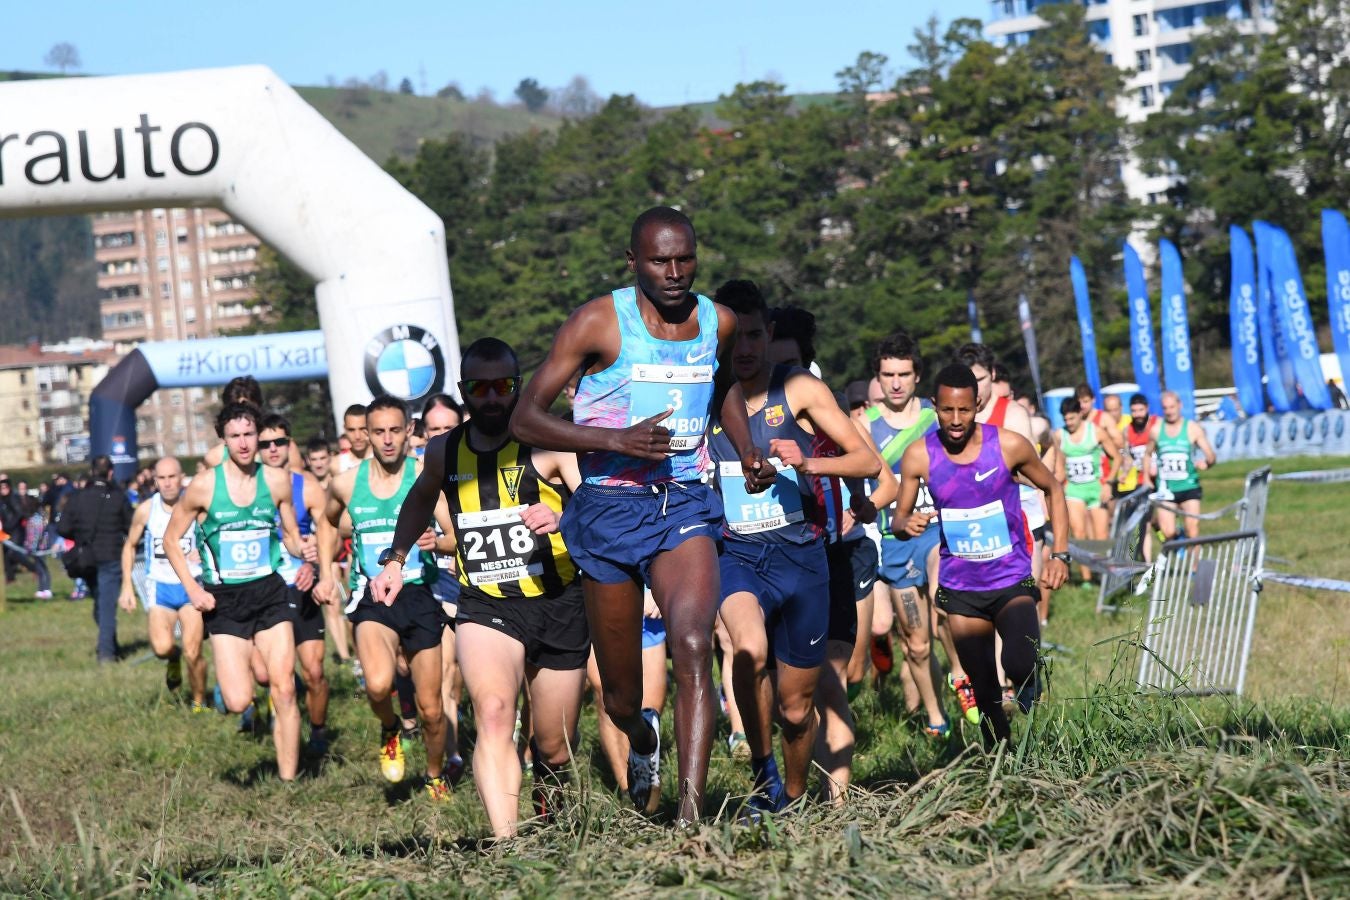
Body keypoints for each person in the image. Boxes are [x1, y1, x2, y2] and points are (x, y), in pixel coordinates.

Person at [509, 206, 774, 824]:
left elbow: (724, 386)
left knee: (690, 642)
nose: (675, 271)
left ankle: (689, 816)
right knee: (623, 693)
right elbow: (526, 416)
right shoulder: (600, 322)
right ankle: (644, 737)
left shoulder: (719, 320)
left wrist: (749, 448)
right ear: (634, 263)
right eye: (660, 260)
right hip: (610, 508)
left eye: (686, 258)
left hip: (684, 498)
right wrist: (618, 440)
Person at [370, 339, 587, 836]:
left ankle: (549, 818)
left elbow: (594, 501)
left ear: (519, 386)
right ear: (465, 391)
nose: (491, 398)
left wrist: (561, 516)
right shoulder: (446, 449)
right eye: (479, 388)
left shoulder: (549, 442)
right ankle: (508, 847)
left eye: (503, 387)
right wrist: (396, 560)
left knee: (553, 745)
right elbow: (420, 498)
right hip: (486, 603)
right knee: (492, 713)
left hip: (557, 603)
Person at [711, 283, 878, 813]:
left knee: (796, 707)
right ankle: (764, 774)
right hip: (736, 554)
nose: (745, 348)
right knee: (749, 649)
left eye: (756, 335)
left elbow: (866, 463)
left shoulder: (799, 389)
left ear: (770, 334)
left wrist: (807, 463)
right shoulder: (705, 393)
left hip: (802, 559)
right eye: (735, 337)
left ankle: (795, 794)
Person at [897, 364, 1070, 746]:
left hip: (1010, 578)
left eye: (964, 410)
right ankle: (1000, 765)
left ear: (977, 404)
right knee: (985, 692)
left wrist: (1060, 554)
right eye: (946, 410)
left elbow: (1053, 489)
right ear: (934, 406)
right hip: (961, 588)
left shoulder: (1008, 445)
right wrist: (905, 524)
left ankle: (1026, 683)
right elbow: (898, 517)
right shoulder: (919, 456)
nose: (956, 420)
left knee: (1020, 662)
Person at [161, 404, 312, 781]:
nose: (244, 444)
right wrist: (192, 588)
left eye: (249, 435)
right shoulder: (205, 486)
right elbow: (170, 540)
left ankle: (289, 780)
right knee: (238, 700)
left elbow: (290, 536)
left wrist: (302, 549)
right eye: (235, 436)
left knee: (286, 688)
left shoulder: (277, 480)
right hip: (224, 599)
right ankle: (243, 661)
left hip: (270, 591)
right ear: (223, 440)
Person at [315, 395, 455, 800]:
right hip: (373, 599)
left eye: (396, 430)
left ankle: (433, 774)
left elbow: (455, 536)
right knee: (377, 685)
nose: (388, 440)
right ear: (365, 435)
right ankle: (390, 727)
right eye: (379, 432)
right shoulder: (346, 482)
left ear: (410, 431)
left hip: (420, 596)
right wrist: (327, 572)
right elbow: (327, 524)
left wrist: (436, 542)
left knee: (431, 711)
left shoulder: (425, 477)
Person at [868, 333, 954, 733]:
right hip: (895, 541)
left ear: (917, 376)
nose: (896, 383)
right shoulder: (863, 423)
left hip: (938, 531)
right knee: (917, 644)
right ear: (879, 377)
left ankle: (960, 673)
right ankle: (936, 718)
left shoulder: (935, 416)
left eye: (904, 374)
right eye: (889, 374)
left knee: (943, 600)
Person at [258, 414, 331, 756]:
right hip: (261, 589)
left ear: (290, 444)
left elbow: (328, 531)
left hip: (300, 584)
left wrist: (315, 564)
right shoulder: (246, 488)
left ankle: (317, 732)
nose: (273, 449)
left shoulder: (308, 486)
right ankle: (283, 707)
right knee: (265, 675)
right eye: (265, 443)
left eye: (280, 442)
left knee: (314, 670)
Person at [117, 457, 209, 710]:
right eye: (162, 478)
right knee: (161, 647)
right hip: (160, 587)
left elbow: (214, 538)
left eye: (172, 477)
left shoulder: (196, 507)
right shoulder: (147, 509)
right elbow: (129, 545)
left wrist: (203, 550)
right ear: (154, 480)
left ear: (182, 478)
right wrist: (127, 586)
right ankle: (172, 658)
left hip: (192, 585)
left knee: (194, 652)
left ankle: (199, 704)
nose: (168, 483)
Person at [419, 392, 467, 786]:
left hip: (490, 583)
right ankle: (453, 756)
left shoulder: (484, 462)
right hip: (441, 587)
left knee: (472, 679)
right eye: (433, 429)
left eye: (448, 428)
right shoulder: (419, 475)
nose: (440, 435)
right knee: (446, 674)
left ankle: (523, 747)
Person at [57, 456, 133, 662]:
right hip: (111, 557)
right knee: (106, 607)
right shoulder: (118, 497)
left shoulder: (78, 497)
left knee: (100, 605)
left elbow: (63, 528)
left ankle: (111, 646)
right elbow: (131, 526)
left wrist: (80, 537)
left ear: (91, 472)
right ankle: (107, 654)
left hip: (87, 558)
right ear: (110, 472)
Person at [1055, 396, 1121, 571]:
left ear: (1080, 413)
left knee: (1101, 536)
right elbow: (1056, 461)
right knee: (1079, 533)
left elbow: (1117, 457)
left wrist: (1109, 483)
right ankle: (1087, 578)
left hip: (1096, 488)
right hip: (1073, 490)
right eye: (1065, 419)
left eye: (1072, 418)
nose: (1068, 423)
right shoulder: (1059, 435)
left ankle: (1104, 573)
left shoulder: (1096, 431)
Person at [1146, 391, 1217, 542]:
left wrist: (1207, 463)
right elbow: (1147, 454)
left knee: (1193, 532)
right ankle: (1178, 536)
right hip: (1166, 489)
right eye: (1165, 408)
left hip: (1189, 487)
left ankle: (1194, 566)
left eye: (1172, 407)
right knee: (1168, 533)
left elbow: (1210, 455)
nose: (1169, 412)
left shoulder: (1192, 428)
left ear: (1180, 405)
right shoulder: (1157, 430)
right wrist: (1147, 476)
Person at [1, 476, 52, 599]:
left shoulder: (14, 499)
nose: (3, 490)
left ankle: (37, 575)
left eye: (5, 487)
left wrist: (9, 525)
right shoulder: (3, 500)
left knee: (16, 554)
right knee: (7, 554)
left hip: (17, 531)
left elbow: (19, 514)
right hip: (10, 531)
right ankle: (11, 577)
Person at [1116, 394, 1158, 499]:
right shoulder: (1127, 431)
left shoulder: (1157, 424)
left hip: (1162, 476)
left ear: (1147, 408)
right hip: (1142, 478)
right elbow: (1128, 457)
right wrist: (1125, 473)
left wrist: (1156, 466)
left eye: (1141, 410)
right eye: (1134, 411)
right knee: (1144, 512)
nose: (1138, 414)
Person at [336, 404, 372, 473]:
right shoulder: (336, 465)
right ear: (345, 429)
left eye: (362, 429)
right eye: (351, 430)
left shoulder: (384, 459)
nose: (357, 436)